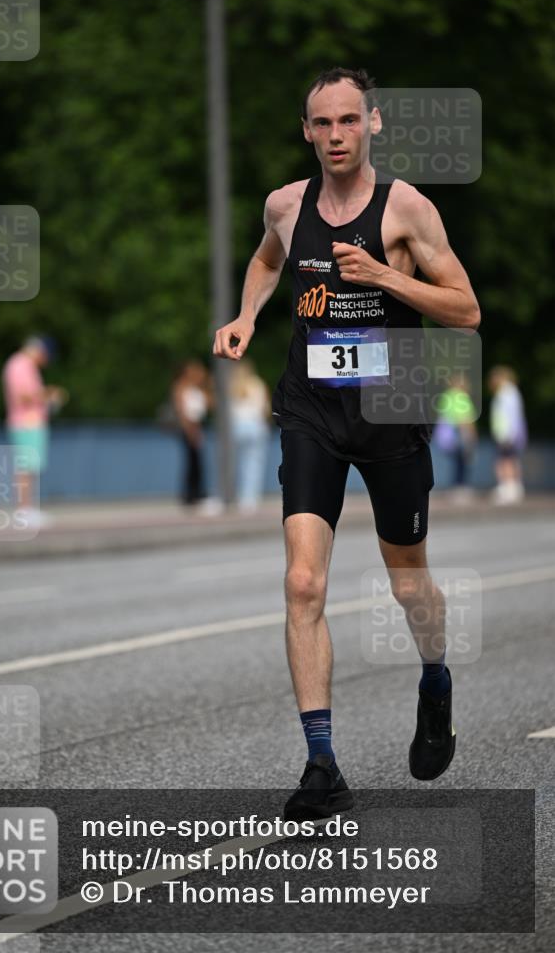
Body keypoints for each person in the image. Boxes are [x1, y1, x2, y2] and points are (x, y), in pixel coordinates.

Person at [213, 67, 480, 818]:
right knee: (303, 583)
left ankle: (434, 679)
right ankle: (321, 765)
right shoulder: (284, 205)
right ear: (306, 131)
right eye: (323, 123)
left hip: (389, 409)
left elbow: (465, 310)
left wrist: (385, 278)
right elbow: (268, 259)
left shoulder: (407, 208)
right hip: (311, 409)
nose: (336, 135)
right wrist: (247, 315)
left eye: (349, 120)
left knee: (408, 585)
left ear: (373, 123)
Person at [2, 335, 67, 528]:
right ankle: (24, 511)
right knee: (25, 467)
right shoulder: (20, 365)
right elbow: (22, 397)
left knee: (29, 467)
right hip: (26, 423)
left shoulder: (23, 365)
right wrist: (49, 394)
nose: (45, 361)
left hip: (29, 423)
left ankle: (27, 509)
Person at [229, 360, 271, 512]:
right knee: (254, 465)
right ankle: (250, 499)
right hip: (256, 426)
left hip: (236, 427)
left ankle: (233, 495)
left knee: (234, 464)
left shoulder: (232, 384)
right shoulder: (258, 384)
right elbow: (265, 408)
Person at [171, 360, 213, 508]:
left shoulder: (198, 389)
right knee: (191, 462)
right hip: (189, 428)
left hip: (198, 427)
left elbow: (210, 404)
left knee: (198, 462)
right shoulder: (181, 387)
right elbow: (182, 411)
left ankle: (197, 492)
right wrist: (190, 430)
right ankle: (190, 494)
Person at [433, 373, 478, 501]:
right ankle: (461, 487)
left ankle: (456, 487)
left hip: (448, 436)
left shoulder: (447, 396)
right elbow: (464, 418)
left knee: (456, 462)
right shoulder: (461, 397)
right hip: (459, 433)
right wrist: (472, 436)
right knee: (462, 462)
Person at [488, 366, 527, 504]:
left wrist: (508, 434)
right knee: (511, 459)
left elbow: (510, 415)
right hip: (509, 433)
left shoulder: (506, 393)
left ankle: (508, 487)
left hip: (506, 434)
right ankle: (513, 487)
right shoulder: (510, 392)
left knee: (505, 460)